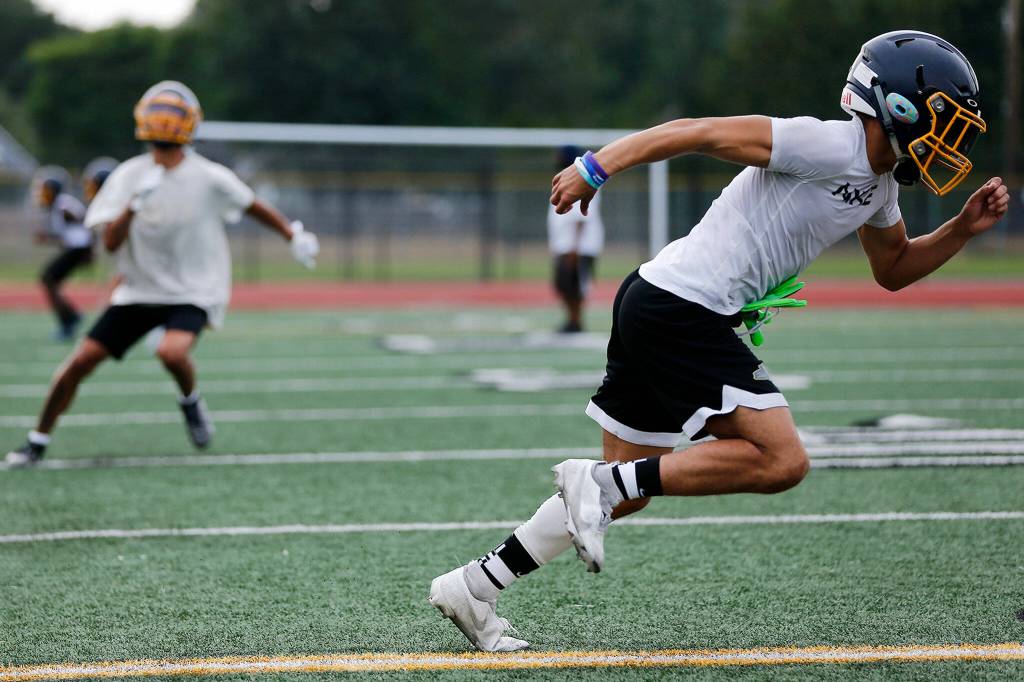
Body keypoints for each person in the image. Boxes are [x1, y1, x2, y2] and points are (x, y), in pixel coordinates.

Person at [429, 30, 1009, 652]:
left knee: (627, 486)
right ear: (898, 106)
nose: (952, 143)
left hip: (656, 299)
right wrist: (596, 166)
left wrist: (962, 229)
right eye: (946, 122)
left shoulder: (881, 186)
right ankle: (594, 484)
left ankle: (476, 585)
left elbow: (892, 270)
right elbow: (699, 131)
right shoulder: (825, 142)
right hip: (682, 306)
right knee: (781, 460)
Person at [5, 81, 320, 466]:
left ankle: (190, 401)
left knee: (170, 352)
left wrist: (292, 235)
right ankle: (37, 441)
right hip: (139, 290)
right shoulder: (128, 176)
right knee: (79, 362)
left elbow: (252, 204)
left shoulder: (209, 176)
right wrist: (134, 205)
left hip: (193, 288)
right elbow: (112, 244)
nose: (165, 123)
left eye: (172, 116)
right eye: (160, 115)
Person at [31, 165, 92, 341]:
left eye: (46, 191)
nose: (43, 195)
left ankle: (70, 318)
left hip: (78, 249)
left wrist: (89, 251)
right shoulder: (60, 205)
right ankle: (70, 316)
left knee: (48, 278)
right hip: (75, 248)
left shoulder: (64, 205)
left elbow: (83, 224)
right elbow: (68, 233)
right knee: (50, 281)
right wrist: (48, 238)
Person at [548, 146, 604, 333]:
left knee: (574, 285)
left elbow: (581, 218)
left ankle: (575, 321)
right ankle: (572, 320)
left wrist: (574, 247)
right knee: (564, 284)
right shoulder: (565, 180)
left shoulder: (582, 180)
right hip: (566, 246)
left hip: (578, 247)